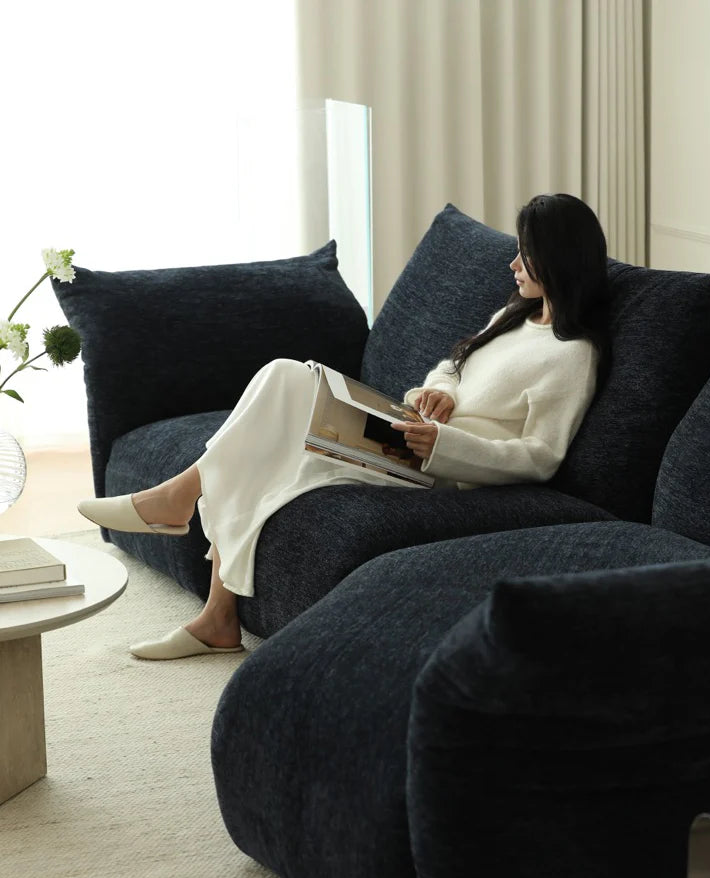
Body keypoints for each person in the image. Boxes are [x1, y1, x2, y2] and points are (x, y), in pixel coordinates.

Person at [78, 193, 610, 660]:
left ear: (558, 258)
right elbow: (453, 365)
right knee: (283, 392)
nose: (513, 263)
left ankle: (180, 504)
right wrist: (439, 392)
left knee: (284, 396)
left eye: (526, 252)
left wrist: (446, 444)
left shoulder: (573, 355)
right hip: (407, 431)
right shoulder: (513, 314)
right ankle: (217, 616)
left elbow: (542, 456)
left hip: (438, 467)